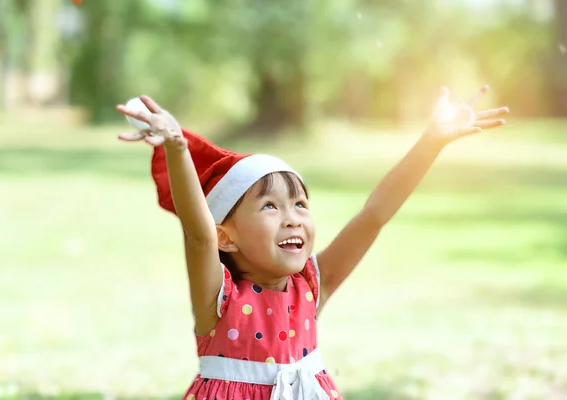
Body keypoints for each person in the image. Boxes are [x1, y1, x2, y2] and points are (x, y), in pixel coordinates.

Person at [115, 86, 509, 400]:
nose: (292, 217)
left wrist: (430, 144)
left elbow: (373, 216)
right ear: (226, 236)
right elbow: (198, 235)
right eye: (270, 205)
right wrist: (177, 147)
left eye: (300, 204)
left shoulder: (310, 286)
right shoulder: (218, 298)